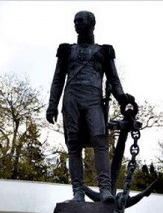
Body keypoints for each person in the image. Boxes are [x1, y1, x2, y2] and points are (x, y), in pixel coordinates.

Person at [46, 10, 135, 203]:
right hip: (72, 97)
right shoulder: (67, 50)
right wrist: (52, 104)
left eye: (81, 20)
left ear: (92, 24)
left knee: (100, 140)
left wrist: (122, 98)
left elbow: (114, 79)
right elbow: (58, 79)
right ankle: (78, 191)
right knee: (74, 145)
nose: (76, 24)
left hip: (93, 98)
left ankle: (105, 189)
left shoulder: (103, 51)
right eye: (75, 21)